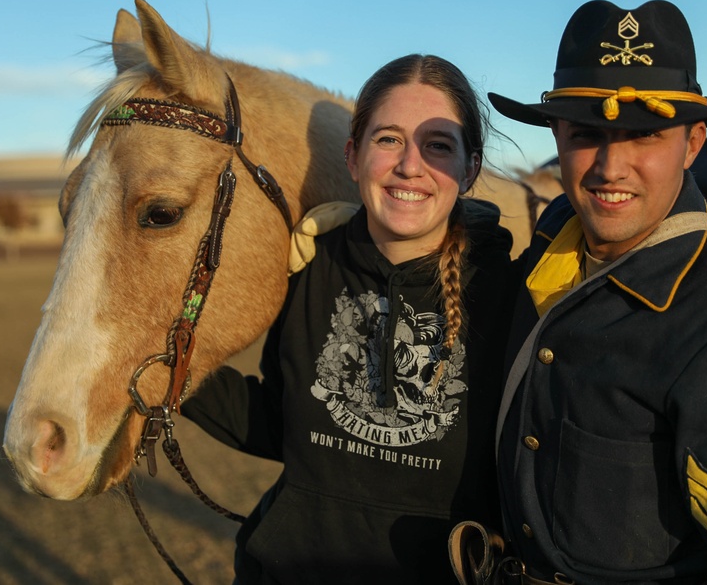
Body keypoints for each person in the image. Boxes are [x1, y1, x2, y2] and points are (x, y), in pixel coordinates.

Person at [487, 0, 707, 584]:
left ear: (694, 143)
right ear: (556, 135)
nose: (609, 166)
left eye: (644, 133)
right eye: (586, 134)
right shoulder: (544, 255)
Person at [182, 54, 514, 584]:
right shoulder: (309, 270)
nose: (410, 164)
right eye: (388, 139)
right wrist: (169, 369)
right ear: (353, 157)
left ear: (470, 169)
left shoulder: (510, 298)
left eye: (438, 144)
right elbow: (281, 423)